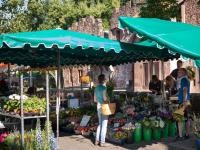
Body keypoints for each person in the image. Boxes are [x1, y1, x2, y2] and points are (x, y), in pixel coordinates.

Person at [94, 74, 108, 146]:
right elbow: (105, 98)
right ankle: (102, 142)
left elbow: (95, 100)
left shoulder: (96, 88)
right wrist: (108, 101)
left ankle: (96, 140)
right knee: (104, 124)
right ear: (103, 80)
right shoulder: (104, 88)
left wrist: (100, 101)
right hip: (104, 107)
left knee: (100, 124)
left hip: (98, 106)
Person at [176, 68, 191, 140]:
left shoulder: (183, 80)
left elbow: (185, 90)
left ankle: (180, 136)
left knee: (179, 118)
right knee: (186, 119)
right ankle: (187, 134)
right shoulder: (186, 79)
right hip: (186, 101)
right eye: (178, 72)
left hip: (183, 102)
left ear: (184, 73)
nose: (178, 73)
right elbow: (181, 91)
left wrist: (183, 101)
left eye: (180, 72)